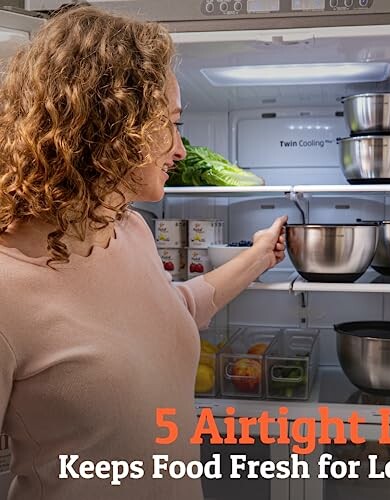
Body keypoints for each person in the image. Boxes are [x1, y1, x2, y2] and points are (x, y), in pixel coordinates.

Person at [0, 6, 287, 499]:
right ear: (106, 127)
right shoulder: (7, 286)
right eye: (170, 125)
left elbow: (176, 310)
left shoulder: (126, 228)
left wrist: (261, 255)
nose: (179, 148)